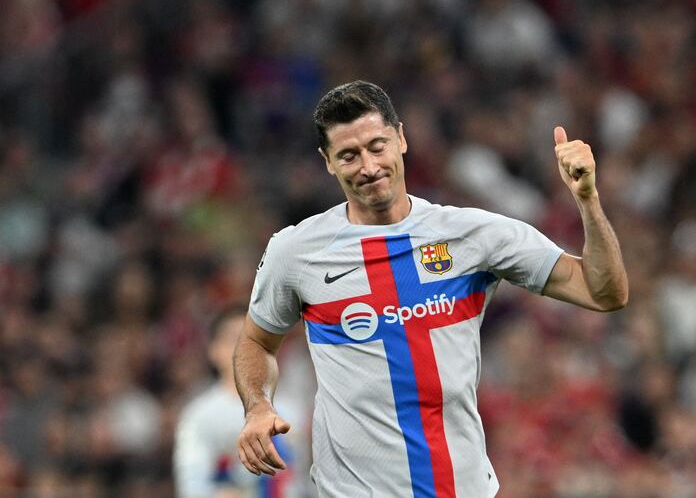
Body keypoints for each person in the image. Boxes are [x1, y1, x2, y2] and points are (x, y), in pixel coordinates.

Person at [234, 80, 628, 497]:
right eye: (348, 155)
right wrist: (258, 406)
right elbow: (256, 342)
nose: (368, 167)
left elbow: (603, 292)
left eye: (377, 146)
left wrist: (587, 201)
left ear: (401, 138)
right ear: (327, 162)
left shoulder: (473, 234)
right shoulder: (296, 251)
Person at [174, 306, 293, 498]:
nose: (245, 348)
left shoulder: (292, 410)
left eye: (254, 339)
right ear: (214, 350)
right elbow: (192, 487)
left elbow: (303, 481)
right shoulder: (198, 416)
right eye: (234, 339)